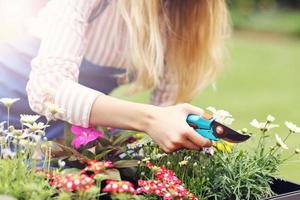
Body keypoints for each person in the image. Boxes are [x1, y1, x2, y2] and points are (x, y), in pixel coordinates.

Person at [0, 0, 230, 153]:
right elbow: (47, 90)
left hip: (70, 129)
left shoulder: (180, 16)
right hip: (7, 105)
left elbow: (166, 110)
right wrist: (150, 119)